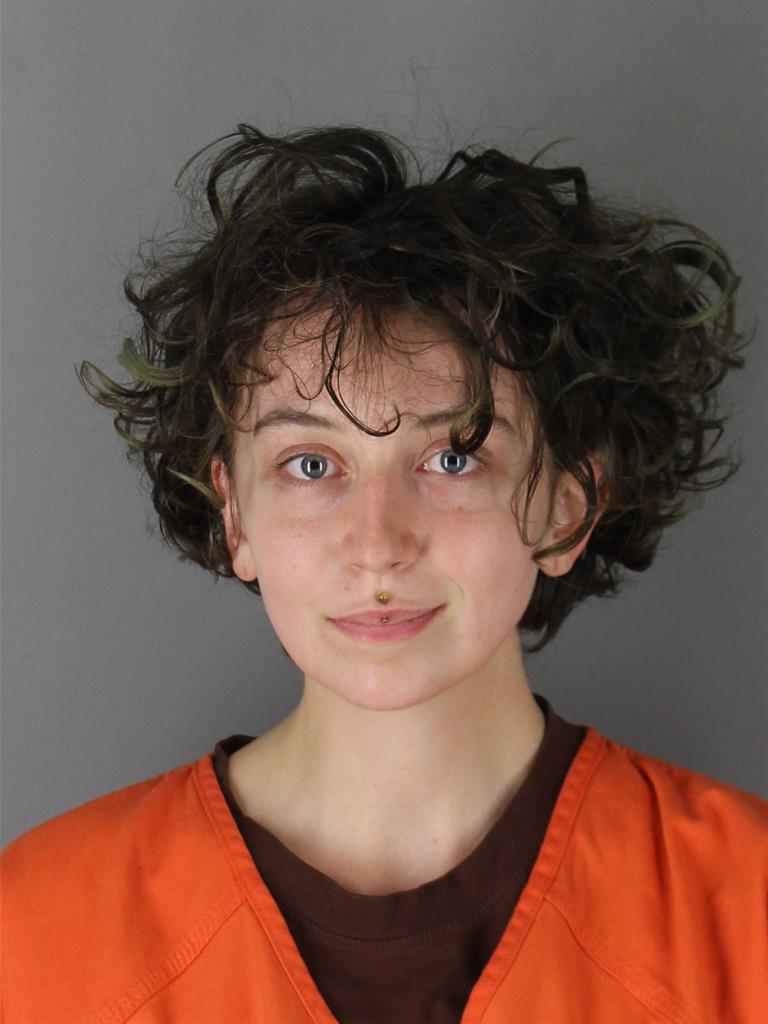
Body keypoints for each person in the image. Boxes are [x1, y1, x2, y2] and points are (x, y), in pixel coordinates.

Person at [2, 123, 765, 1024]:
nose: (377, 544)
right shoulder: (34, 929)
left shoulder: (747, 908)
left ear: (567, 506)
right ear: (235, 516)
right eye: (310, 465)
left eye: (453, 458)